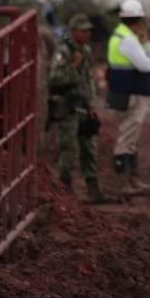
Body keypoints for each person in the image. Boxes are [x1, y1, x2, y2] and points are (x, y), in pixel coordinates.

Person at [48, 13, 110, 204]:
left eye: (88, 31)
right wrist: (73, 67)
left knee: (89, 149)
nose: (87, 34)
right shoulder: (64, 52)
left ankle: (93, 190)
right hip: (68, 107)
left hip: (83, 106)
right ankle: (64, 190)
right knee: (69, 149)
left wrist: (91, 103)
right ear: (73, 31)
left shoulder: (85, 50)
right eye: (83, 31)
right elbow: (55, 78)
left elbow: (88, 79)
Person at [106, 0, 150, 195]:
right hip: (132, 94)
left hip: (122, 92)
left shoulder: (120, 35)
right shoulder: (128, 40)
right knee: (127, 137)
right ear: (137, 20)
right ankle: (122, 184)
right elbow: (147, 65)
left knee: (130, 137)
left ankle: (131, 180)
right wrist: (147, 46)